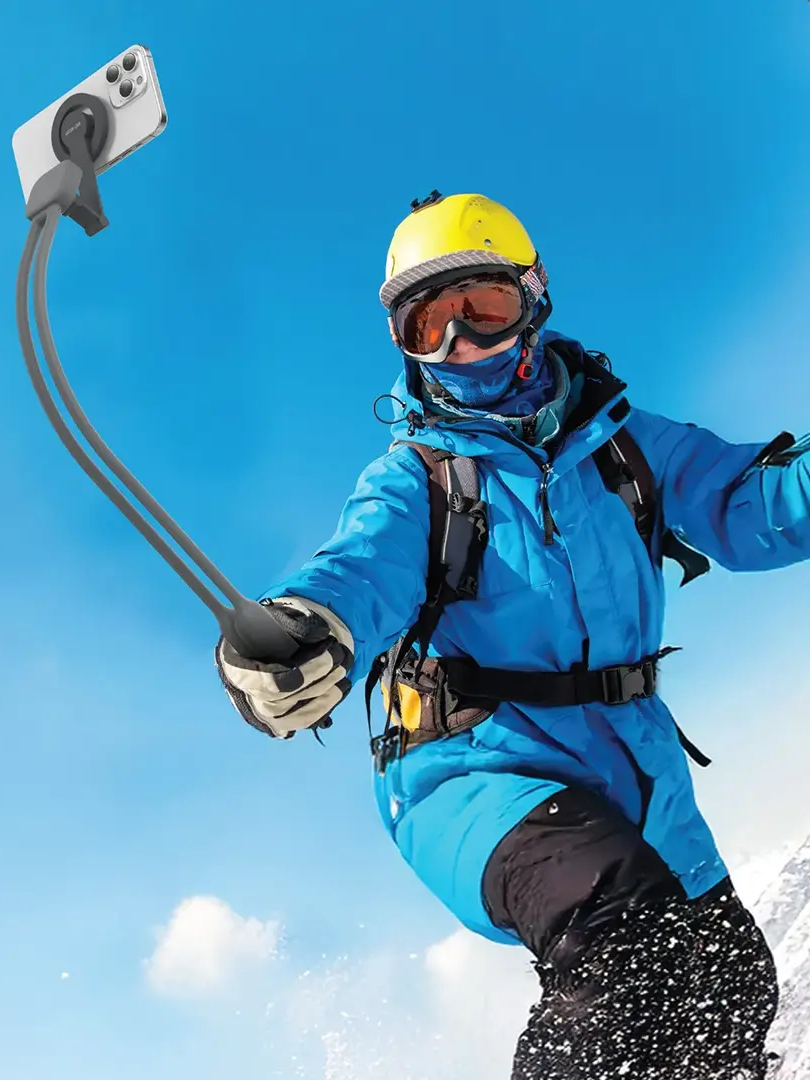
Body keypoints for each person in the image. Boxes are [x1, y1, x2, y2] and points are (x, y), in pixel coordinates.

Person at [215, 192, 807, 1078]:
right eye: (430, 327)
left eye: (482, 310)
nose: (461, 346)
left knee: (733, 984)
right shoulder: (421, 480)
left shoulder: (626, 448)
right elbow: (356, 568)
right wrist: (308, 629)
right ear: (404, 345)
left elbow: (752, 504)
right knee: (627, 947)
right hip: (471, 774)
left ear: (533, 300)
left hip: (631, 766)